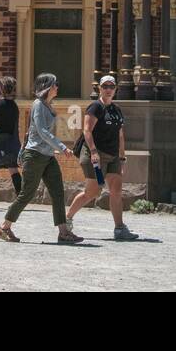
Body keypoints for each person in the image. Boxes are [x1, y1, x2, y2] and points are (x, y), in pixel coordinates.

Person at [0, 73, 81, 244]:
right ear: (47, 87)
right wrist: (62, 147)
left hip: (48, 156)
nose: (57, 87)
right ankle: (4, 227)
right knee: (27, 193)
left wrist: (55, 148)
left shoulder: (49, 105)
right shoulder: (38, 105)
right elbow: (42, 131)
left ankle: (63, 232)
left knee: (58, 192)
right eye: (55, 84)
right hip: (34, 155)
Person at [67, 75, 139, 240]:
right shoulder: (95, 107)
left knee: (116, 190)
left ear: (115, 89)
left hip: (113, 156)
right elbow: (87, 130)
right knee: (93, 192)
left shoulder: (116, 110)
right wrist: (93, 152)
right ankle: (67, 218)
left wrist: (122, 158)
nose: (108, 89)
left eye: (111, 87)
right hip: (96, 157)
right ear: (100, 88)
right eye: (105, 86)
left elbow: (120, 134)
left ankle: (120, 228)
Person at [0, 76, 23, 208]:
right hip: (12, 142)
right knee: (13, 170)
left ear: (1, 88)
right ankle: (21, 200)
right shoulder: (14, 105)